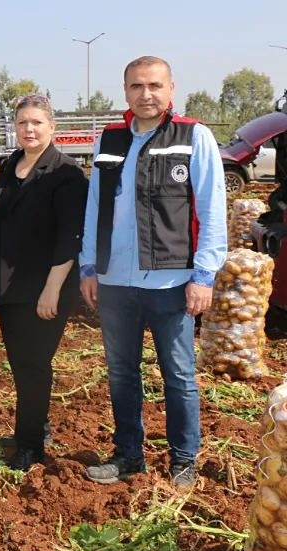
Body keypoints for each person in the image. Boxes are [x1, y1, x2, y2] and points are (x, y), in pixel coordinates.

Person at [79, 56, 227, 489]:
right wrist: (90, 265)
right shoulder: (108, 139)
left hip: (171, 280)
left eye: (155, 86)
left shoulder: (192, 137)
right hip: (114, 280)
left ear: (171, 89)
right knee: (121, 371)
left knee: (178, 373)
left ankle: (183, 459)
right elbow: (95, 207)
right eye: (137, 86)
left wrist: (204, 276)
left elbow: (212, 208)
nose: (146, 94)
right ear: (125, 91)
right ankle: (128, 455)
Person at [0, 95, 88, 471]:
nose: (29, 129)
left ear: (52, 127)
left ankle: (30, 448)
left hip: (45, 286)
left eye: (37, 123)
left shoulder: (66, 173)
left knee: (34, 365)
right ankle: (35, 428)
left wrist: (52, 290)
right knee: (19, 363)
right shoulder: (12, 165)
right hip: (11, 285)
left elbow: (71, 236)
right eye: (23, 123)